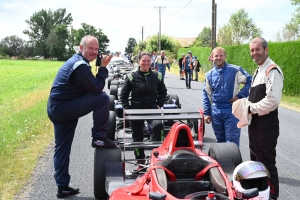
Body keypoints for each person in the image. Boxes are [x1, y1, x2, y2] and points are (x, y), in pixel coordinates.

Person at [47, 35, 119, 198]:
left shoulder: (78, 62)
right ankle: (99, 137)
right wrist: (102, 68)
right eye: (90, 48)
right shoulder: (80, 66)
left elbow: (87, 86)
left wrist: (98, 67)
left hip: (57, 107)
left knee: (62, 149)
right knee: (102, 99)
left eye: (96, 49)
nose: (94, 52)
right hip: (63, 108)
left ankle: (62, 186)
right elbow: (97, 87)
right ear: (81, 48)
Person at [247, 37, 284, 200]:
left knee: (266, 163)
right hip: (254, 124)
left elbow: (273, 100)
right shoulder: (257, 71)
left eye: (258, 50)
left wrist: (250, 108)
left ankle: (272, 196)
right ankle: (259, 193)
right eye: (252, 50)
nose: (255, 53)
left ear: (266, 50)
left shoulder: (272, 70)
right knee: (255, 161)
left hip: (266, 125)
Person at [120, 52, 167, 170]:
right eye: (143, 61)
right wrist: (127, 108)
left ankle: (157, 157)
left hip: (152, 107)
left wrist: (159, 104)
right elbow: (123, 94)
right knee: (137, 136)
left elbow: (163, 92)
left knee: (158, 126)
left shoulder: (158, 76)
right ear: (138, 61)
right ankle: (140, 161)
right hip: (136, 109)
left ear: (151, 61)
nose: (146, 63)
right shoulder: (131, 76)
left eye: (148, 61)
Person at [203, 47, 252, 147]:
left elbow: (250, 81)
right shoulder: (209, 75)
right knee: (220, 142)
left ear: (225, 56)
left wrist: (240, 96)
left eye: (221, 55)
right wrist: (207, 113)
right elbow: (206, 94)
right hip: (216, 112)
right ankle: (221, 162)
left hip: (232, 111)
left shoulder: (235, 70)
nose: (219, 57)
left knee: (232, 142)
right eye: (216, 55)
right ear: (212, 57)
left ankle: (234, 163)